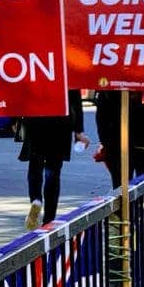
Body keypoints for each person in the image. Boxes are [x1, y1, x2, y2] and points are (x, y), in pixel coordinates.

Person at [21, 89, 89, 229]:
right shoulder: (65, 68)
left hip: (36, 119)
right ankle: (49, 219)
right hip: (60, 122)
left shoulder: (35, 66)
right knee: (53, 171)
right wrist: (79, 131)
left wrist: (16, 119)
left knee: (35, 166)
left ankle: (36, 199)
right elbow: (75, 98)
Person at [92, 90, 144, 188]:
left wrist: (105, 141)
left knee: (130, 186)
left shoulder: (114, 80)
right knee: (142, 186)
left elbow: (102, 114)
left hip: (133, 141)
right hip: (138, 140)